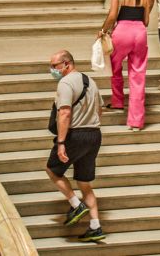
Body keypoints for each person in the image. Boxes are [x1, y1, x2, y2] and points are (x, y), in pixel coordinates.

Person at [45, 50, 106, 242]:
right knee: (84, 182)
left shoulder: (65, 83)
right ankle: (95, 227)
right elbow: (100, 109)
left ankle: (76, 204)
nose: (52, 70)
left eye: (54, 66)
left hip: (75, 135)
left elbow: (64, 113)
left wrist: (62, 142)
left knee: (53, 170)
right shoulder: (90, 81)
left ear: (66, 64)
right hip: (94, 134)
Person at [99, 0, 150, 131]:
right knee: (138, 77)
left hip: (122, 32)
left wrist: (103, 30)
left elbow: (113, 15)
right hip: (140, 33)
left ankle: (118, 101)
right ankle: (136, 122)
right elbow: (147, 21)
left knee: (115, 66)